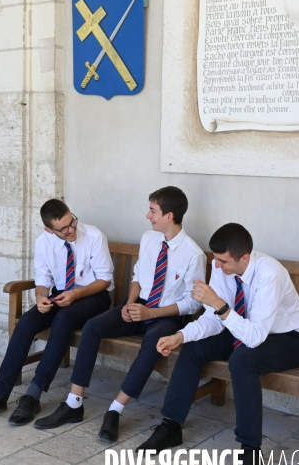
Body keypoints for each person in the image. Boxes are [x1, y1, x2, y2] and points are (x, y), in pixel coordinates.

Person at [136, 223, 299, 465]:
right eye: (215, 259)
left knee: (242, 362)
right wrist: (180, 335)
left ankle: (250, 451)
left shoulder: (269, 274)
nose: (216, 266)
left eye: (222, 261)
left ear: (244, 258)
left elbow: (254, 336)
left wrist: (219, 304)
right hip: (242, 327)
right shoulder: (222, 269)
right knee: (194, 347)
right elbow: (213, 318)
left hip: (289, 339)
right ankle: (171, 426)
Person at [34, 186, 206, 443]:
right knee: (93, 327)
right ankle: (74, 402)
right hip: (139, 306)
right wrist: (130, 302)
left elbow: (192, 305)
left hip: (166, 315)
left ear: (169, 215)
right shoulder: (149, 239)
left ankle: (115, 409)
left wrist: (151, 312)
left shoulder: (194, 254)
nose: (148, 215)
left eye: (153, 211)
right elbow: (138, 276)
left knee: (153, 342)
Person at [0, 199, 114, 426]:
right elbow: (43, 278)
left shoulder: (94, 236)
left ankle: (33, 395)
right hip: (61, 294)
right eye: (63, 229)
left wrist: (76, 295)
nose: (71, 230)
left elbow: (105, 280)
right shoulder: (43, 242)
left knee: (64, 318)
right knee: (27, 321)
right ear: (49, 229)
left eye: (72, 222)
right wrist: (40, 297)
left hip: (93, 296)